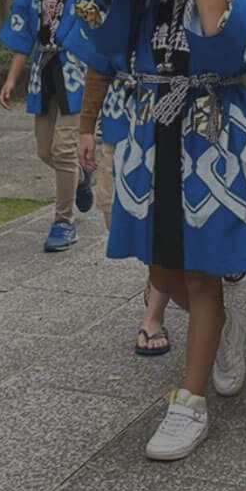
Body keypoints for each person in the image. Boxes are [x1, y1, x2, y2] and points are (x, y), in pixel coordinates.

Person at [65, 0, 246, 461]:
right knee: (158, 267)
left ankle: (191, 402)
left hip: (211, 135)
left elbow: (222, 33)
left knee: (203, 273)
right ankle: (224, 325)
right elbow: (91, 19)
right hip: (153, 132)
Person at [0, 0, 92, 252]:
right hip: (43, 71)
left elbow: (98, 27)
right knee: (43, 150)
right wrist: (11, 79)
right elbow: (22, 32)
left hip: (77, 73)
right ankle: (81, 179)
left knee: (64, 149)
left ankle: (63, 221)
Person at [78, 63, 173, 355]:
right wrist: (86, 127)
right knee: (114, 214)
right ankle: (155, 272)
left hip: (167, 117)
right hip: (117, 119)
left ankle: (153, 314)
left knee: (160, 215)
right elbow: (98, 58)